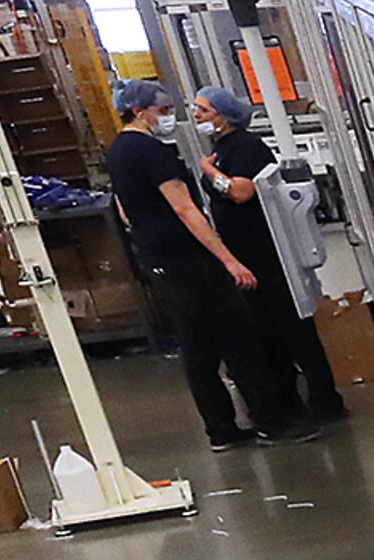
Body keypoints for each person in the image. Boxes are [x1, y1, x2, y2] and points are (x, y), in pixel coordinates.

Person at [104, 78, 300, 450]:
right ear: (138, 111)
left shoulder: (117, 151)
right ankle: (271, 422)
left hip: (157, 259)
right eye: (162, 111)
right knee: (238, 338)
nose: (171, 117)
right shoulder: (153, 153)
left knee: (197, 348)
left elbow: (125, 210)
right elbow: (185, 209)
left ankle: (220, 430)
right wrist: (227, 259)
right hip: (188, 260)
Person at [187, 86, 350, 424]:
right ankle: (289, 398)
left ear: (223, 114)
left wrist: (210, 173)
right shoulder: (222, 148)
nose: (197, 116)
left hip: (267, 253)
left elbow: (241, 192)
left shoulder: (246, 147)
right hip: (245, 252)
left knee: (293, 329)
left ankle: (325, 400)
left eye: (203, 110)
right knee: (267, 332)